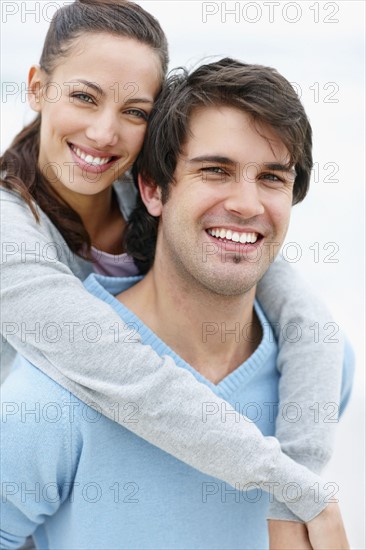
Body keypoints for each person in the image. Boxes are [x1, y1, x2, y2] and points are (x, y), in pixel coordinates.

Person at [0, 0, 352, 543]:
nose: (103, 133)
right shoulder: (11, 237)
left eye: (135, 111)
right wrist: (295, 488)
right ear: (38, 88)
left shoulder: (132, 186)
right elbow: (129, 377)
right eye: (83, 96)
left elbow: (286, 294)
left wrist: (296, 483)